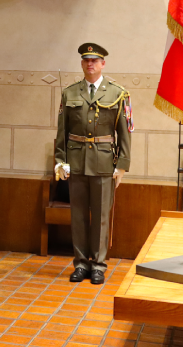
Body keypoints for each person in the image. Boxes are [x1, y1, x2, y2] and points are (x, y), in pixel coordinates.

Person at [55, 43, 132, 285]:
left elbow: (125, 133)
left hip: (104, 162)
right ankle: (80, 264)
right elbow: (62, 131)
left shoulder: (118, 93)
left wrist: (122, 165)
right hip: (76, 162)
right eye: (86, 60)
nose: (90, 64)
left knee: (100, 217)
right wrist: (60, 160)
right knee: (78, 216)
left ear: (103, 64)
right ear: (82, 63)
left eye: (95, 60)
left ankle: (98, 265)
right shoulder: (70, 93)